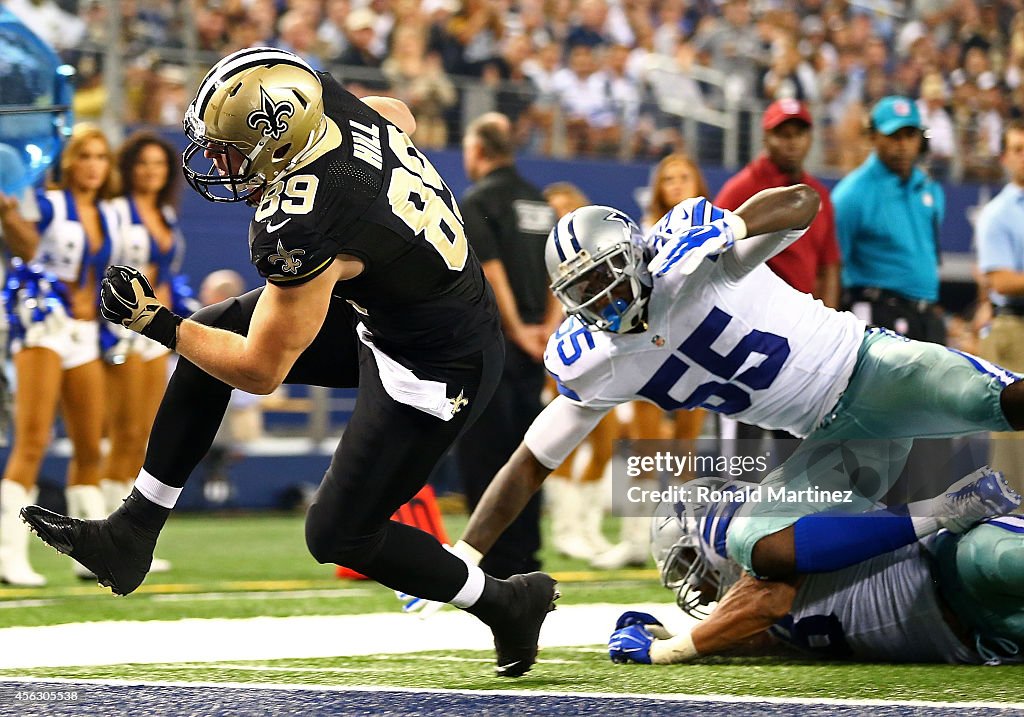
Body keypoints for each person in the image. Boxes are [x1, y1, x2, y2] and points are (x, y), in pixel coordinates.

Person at [21, 48, 557, 678]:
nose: (218, 164)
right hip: (400, 308)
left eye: (228, 150)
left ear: (278, 143)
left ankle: (506, 603)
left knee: (339, 536)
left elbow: (259, 370)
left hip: (436, 365)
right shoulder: (319, 101)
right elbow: (397, 114)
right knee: (214, 329)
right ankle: (133, 530)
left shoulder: (304, 219)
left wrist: (155, 323)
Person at [439, 185, 1023, 604]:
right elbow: (530, 462)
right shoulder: (596, 360)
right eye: (584, 291)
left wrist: (732, 226)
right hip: (830, 440)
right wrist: (465, 555)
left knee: (1006, 401)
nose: (604, 298)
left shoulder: (693, 261)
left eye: (608, 274)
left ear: (637, 254)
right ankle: (939, 518)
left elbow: (804, 204)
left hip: (871, 365)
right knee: (754, 542)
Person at [607, 476, 1024, 666]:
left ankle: (938, 510)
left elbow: (766, 602)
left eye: (688, 565)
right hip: (982, 640)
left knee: (996, 557)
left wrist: (663, 653)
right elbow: (750, 634)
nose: (695, 587)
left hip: (952, 567)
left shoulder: (760, 548)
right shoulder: (752, 620)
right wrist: (666, 634)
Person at [0, 124, 117, 585]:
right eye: (85, 156)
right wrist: (9, 216)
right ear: (69, 161)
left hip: (85, 332)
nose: (93, 165)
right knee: (33, 438)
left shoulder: (108, 213)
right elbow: (28, 251)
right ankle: (9, 552)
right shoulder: (46, 201)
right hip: (42, 325)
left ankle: (84, 550)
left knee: (90, 443)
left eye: (101, 157)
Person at [455, 112, 558, 578]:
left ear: (478, 151)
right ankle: (527, 555)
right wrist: (545, 333)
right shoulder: (540, 202)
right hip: (538, 350)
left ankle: (490, 559)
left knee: (487, 454)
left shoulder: (477, 201)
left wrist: (517, 331)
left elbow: (492, 276)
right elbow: (562, 273)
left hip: (497, 348)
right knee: (528, 454)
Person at [715, 99, 841, 465]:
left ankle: (790, 523)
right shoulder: (741, 190)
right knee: (743, 455)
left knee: (799, 455)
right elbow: (713, 258)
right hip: (750, 338)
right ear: (766, 138)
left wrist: (827, 322)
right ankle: (731, 519)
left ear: (809, 138)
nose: (791, 142)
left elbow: (828, 264)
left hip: (802, 338)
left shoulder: (820, 194)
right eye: (782, 134)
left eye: (798, 134)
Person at [103, 132, 186, 546]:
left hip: (155, 333)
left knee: (146, 435)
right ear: (128, 168)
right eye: (142, 163)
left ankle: (126, 533)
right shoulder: (114, 212)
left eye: (159, 164)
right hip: (121, 333)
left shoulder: (166, 215)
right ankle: (105, 530)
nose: (151, 171)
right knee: (125, 431)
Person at [832, 95, 946, 344]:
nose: (903, 144)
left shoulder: (928, 188)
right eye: (894, 136)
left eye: (910, 135)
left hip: (926, 314)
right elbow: (833, 265)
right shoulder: (851, 195)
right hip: (877, 312)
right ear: (873, 137)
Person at [976, 118, 1024, 502]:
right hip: (1015, 327)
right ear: (1005, 158)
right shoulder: (1000, 212)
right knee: (1014, 438)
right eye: (1018, 150)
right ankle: (1013, 523)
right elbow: (1002, 281)